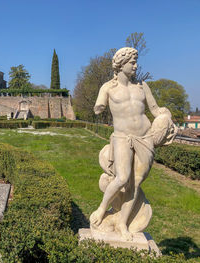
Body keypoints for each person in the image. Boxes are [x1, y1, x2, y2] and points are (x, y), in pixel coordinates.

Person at [90, 47, 165, 240]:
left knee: (135, 183)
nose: (135, 66)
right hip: (122, 138)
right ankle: (101, 208)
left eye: (135, 62)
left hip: (145, 138)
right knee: (122, 177)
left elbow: (155, 110)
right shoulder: (108, 87)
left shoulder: (142, 86)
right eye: (132, 62)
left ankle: (123, 223)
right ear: (121, 65)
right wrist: (99, 103)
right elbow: (98, 107)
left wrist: (165, 117)